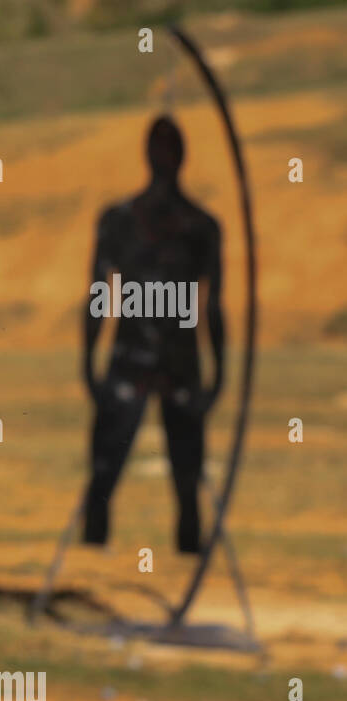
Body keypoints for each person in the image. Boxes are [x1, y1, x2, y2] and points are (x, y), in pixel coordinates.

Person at [82, 115, 226, 554]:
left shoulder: (201, 227)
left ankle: (188, 559)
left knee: (188, 476)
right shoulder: (120, 220)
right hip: (130, 359)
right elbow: (97, 297)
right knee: (103, 472)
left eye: (170, 149)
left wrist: (217, 375)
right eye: (159, 148)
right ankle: (92, 559)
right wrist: (88, 364)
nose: (164, 157)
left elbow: (213, 307)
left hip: (180, 363)